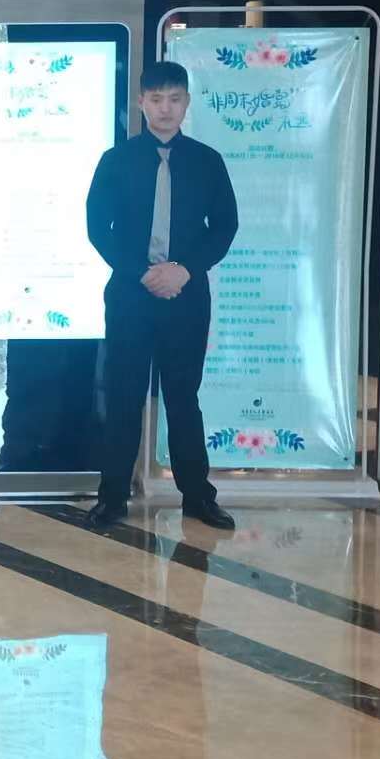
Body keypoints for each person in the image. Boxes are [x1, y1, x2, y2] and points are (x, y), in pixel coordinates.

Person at [84, 61, 238, 531]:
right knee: (124, 396)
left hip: (187, 296)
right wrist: (143, 273)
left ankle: (198, 497)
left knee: (183, 398)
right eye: (155, 100)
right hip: (130, 295)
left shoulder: (207, 161)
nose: (165, 109)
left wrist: (184, 270)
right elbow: (98, 227)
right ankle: (112, 497)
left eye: (174, 99)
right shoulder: (116, 160)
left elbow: (225, 226)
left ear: (186, 103)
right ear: (141, 103)